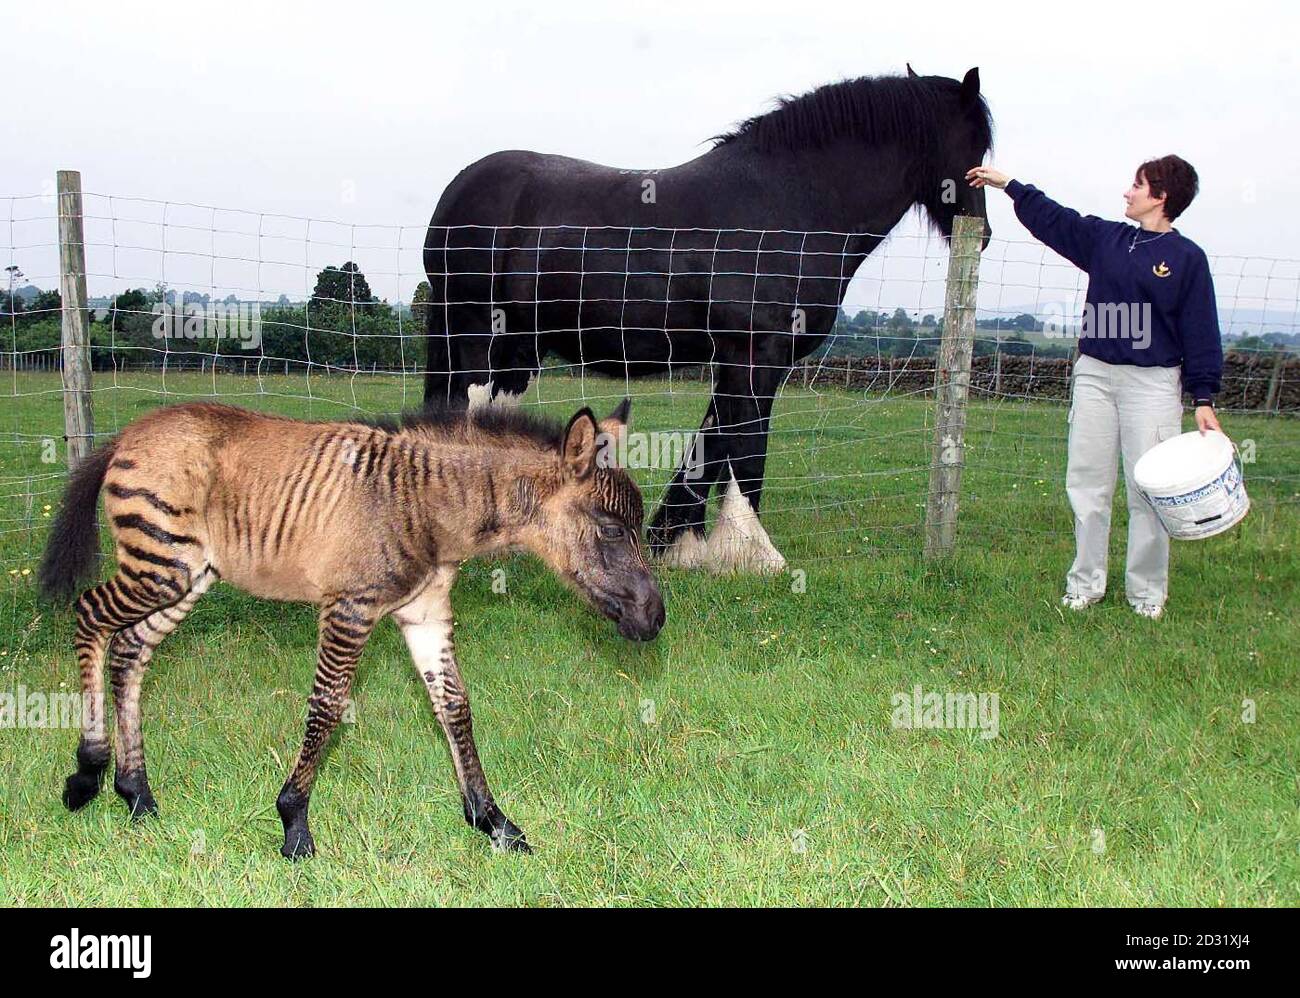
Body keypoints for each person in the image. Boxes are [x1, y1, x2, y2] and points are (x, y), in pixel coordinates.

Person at [966, 156, 1224, 620]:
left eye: (1137, 185)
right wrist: (1010, 186)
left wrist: (1203, 398)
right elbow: (1057, 221)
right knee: (1086, 483)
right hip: (1094, 376)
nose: (1128, 192)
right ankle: (1085, 585)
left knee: (1148, 489)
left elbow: (1201, 331)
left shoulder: (1187, 259)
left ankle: (1146, 594)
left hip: (1153, 385)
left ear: (1161, 197)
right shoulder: (1107, 239)